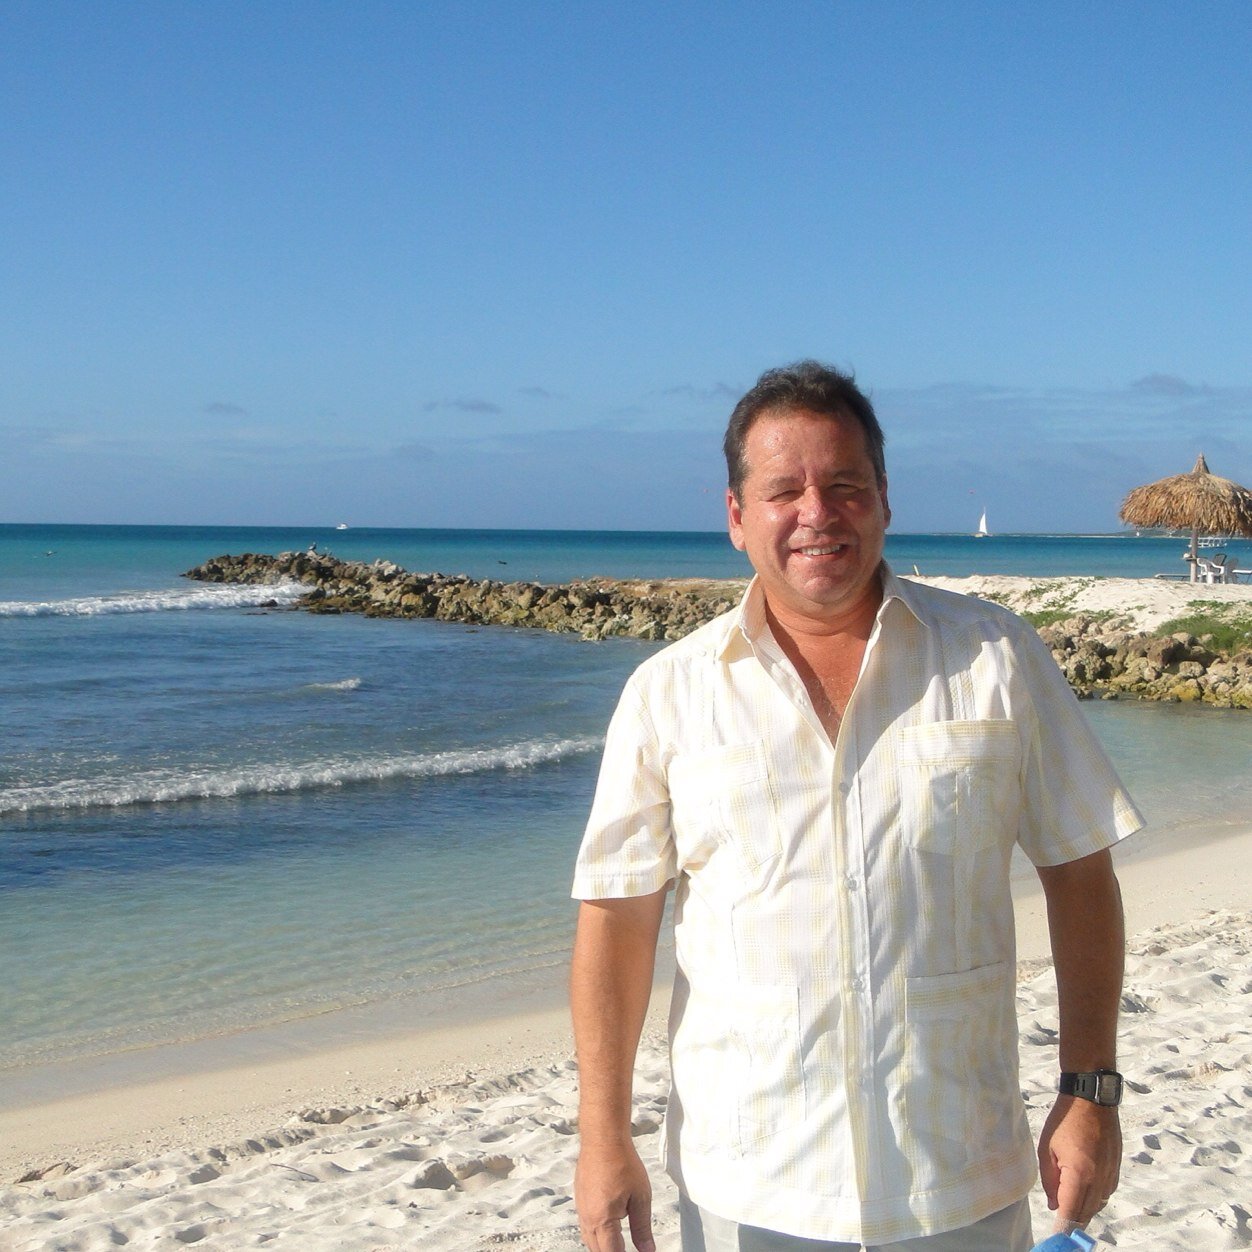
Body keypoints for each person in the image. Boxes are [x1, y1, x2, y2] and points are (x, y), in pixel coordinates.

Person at [569, 361, 1142, 1252]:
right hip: (749, 1185)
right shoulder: (667, 694)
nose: (817, 513)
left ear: (883, 499)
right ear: (736, 517)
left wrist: (1089, 1088)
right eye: (783, 491)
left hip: (958, 1174)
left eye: (844, 485)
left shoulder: (994, 657)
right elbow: (617, 920)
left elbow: (1080, 870)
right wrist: (604, 1137)